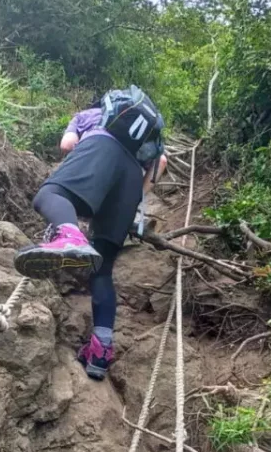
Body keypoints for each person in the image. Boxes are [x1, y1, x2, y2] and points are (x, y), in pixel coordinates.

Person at [14, 86, 167, 380]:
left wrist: (87, 182)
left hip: (101, 150)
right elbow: (160, 163)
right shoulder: (149, 137)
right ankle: (100, 351)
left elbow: (68, 144)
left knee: (48, 196)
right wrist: (135, 195)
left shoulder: (90, 115)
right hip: (131, 180)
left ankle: (69, 236)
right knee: (102, 268)